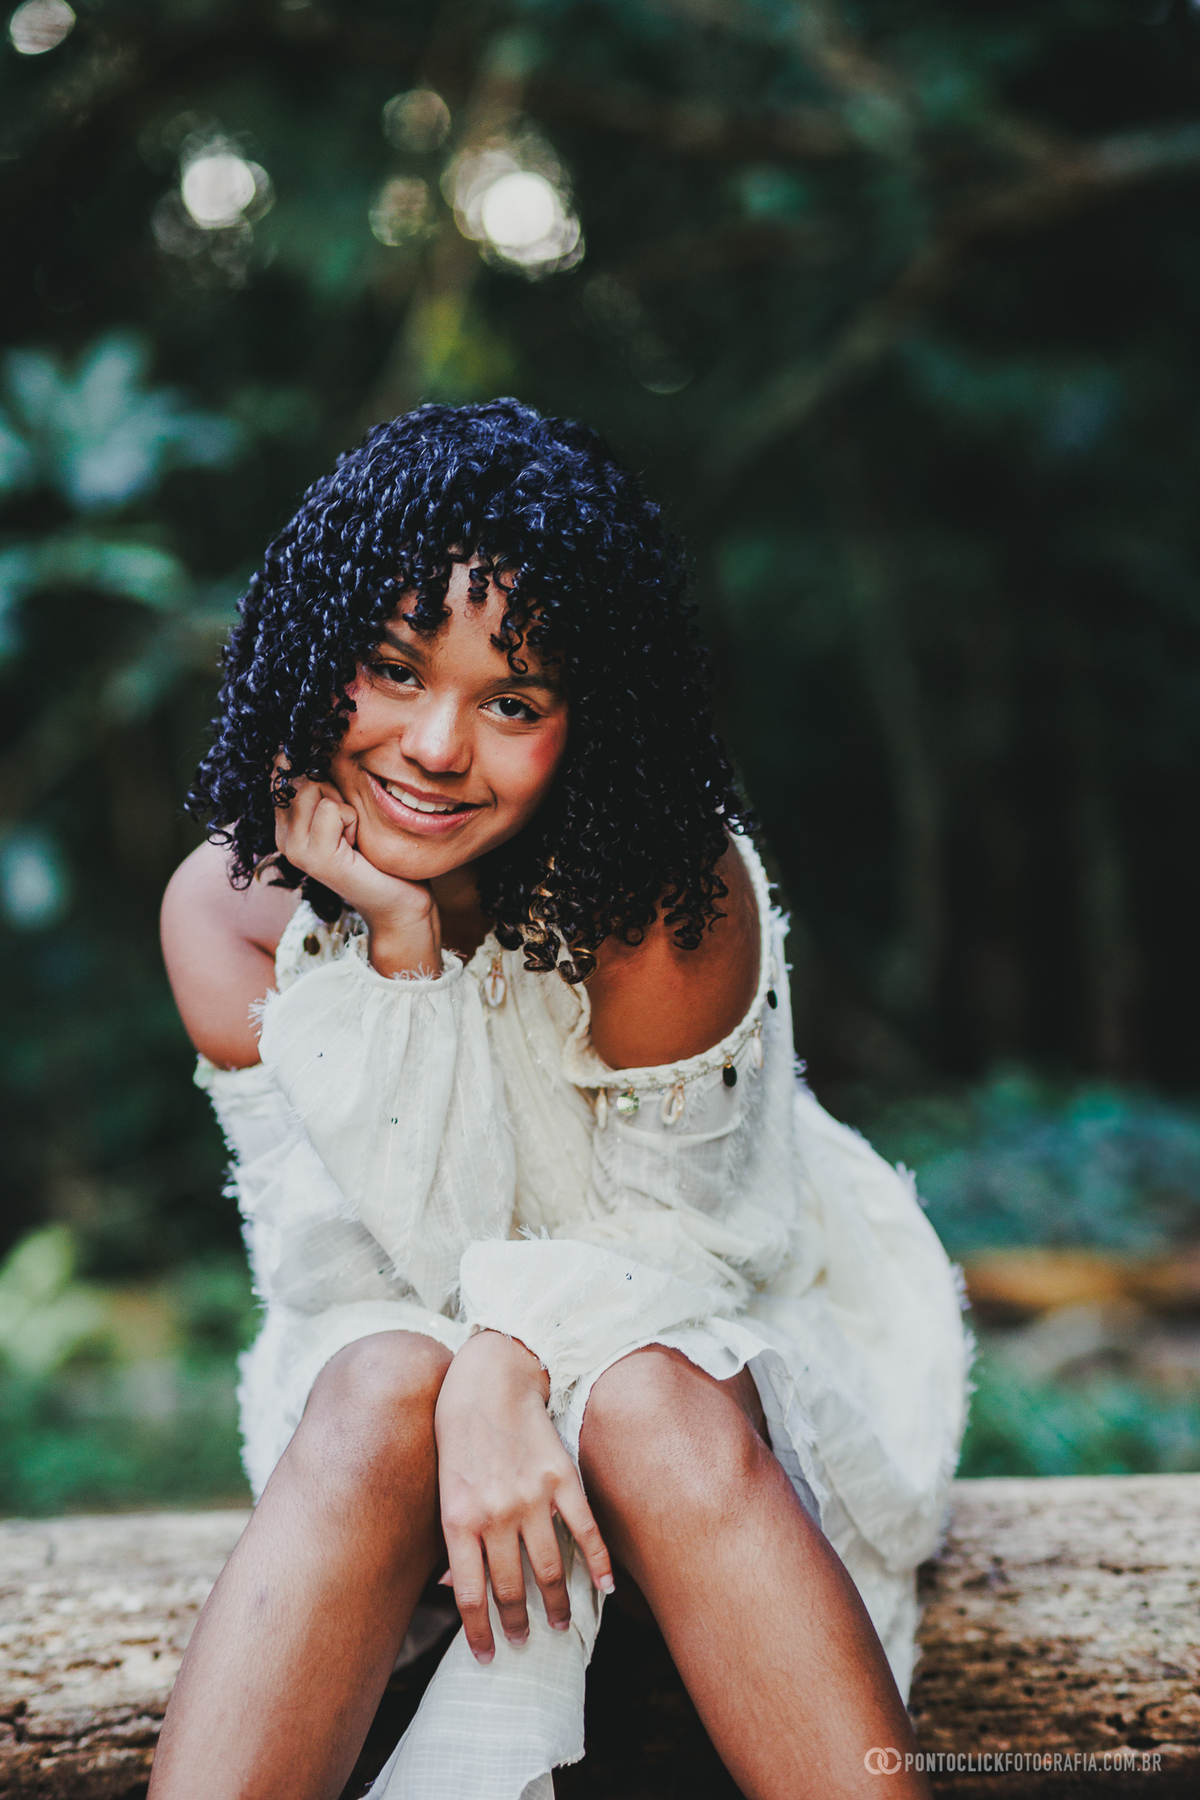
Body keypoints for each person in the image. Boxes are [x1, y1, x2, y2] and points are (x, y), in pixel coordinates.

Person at [154, 400, 968, 1800]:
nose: (434, 746)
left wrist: (514, 1358)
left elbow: (684, 1250)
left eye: (513, 702)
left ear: (591, 720)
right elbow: (352, 1273)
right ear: (313, 649)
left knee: (641, 1397)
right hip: (392, 1401)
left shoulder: (666, 894)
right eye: (393, 669)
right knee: (382, 1380)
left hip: (703, 1344)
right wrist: (398, 948)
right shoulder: (232, 920)